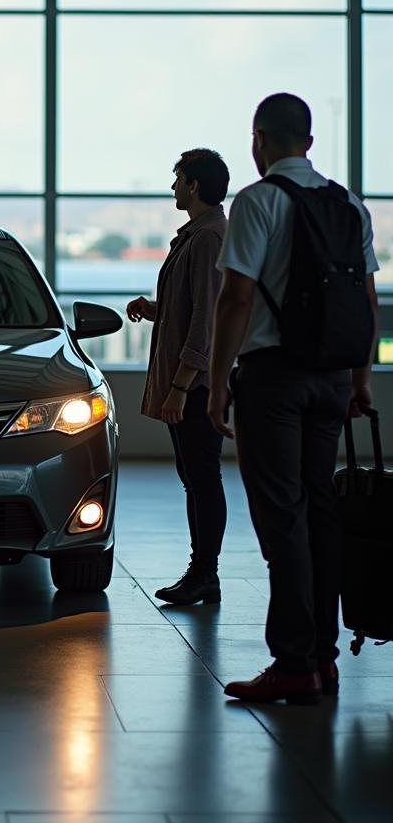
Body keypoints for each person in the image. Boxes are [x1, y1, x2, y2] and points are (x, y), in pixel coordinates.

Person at [208, 92, 379, 704]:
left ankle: (293, 661)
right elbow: (364, 300)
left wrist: (215, 380)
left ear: (259, 140)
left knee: (282, 517)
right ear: (308, 141)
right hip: (333, 377)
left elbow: (236, 299)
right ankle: (323, 658)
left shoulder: (257, 202)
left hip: (273, 380)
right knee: (320, 512)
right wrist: (360, 379)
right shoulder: (348, 205)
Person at [127, 149, 230, 605]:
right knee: (196, 477)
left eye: (177, 179)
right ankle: (203, 572)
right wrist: (157, 311)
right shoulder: (198, 236)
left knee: (202, 478)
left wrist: (181, 387)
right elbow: (192, 309)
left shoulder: (208, 239)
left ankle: (204, 573)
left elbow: (206, 322)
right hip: (192, 382)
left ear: (193, 186)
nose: (173, 187)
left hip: (196, 385)